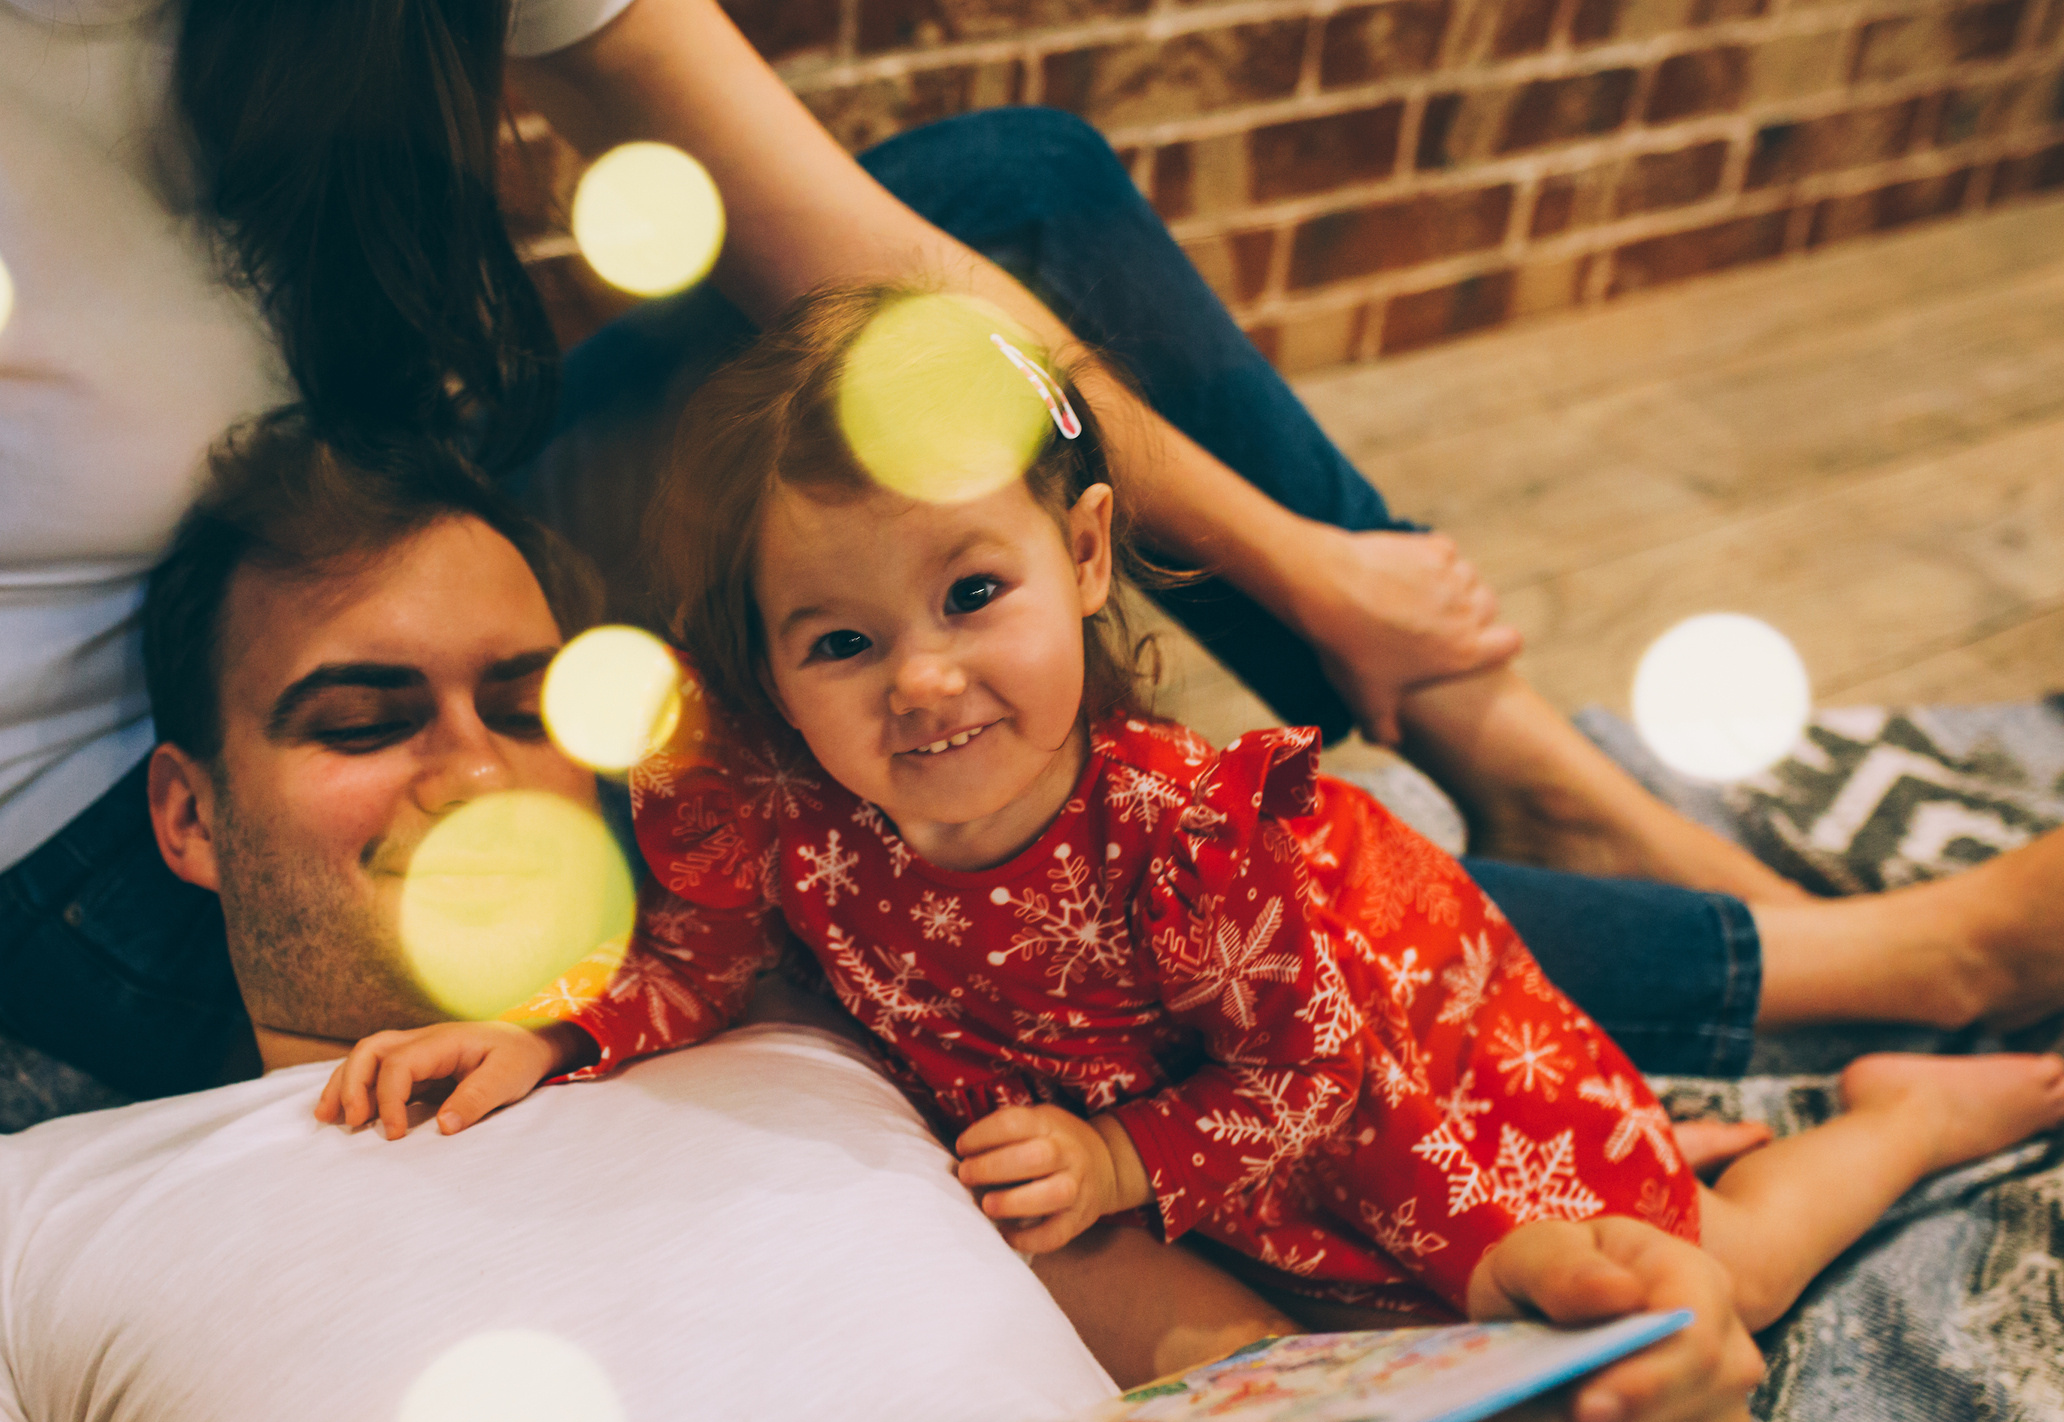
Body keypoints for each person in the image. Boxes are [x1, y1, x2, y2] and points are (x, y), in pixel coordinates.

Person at [0, 0, 2048, 1103]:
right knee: (879, 847)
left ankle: (1517, 767)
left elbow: (864, 249)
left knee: (1010, 199)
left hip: (429, 535)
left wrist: (1326, 570)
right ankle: (1845, 963)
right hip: (133, 781)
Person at [0, 414, 1763, 1422]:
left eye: (529, 702)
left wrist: (1543, 1395)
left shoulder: (846, 1028)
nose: (472, 770)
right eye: (363, 716)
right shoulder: (8, 1218)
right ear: (189, 820)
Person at [317, 290, 2064, 1331]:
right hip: (1227, 1186)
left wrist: (1112, 1158)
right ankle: (1730, 1127)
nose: (919, 680)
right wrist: (553, 1038)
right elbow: (695, 964)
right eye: (842, 639)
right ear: (774, 669)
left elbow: (1314, 1079)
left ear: (1081, 558)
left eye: (971, 595)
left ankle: (1901, 1113)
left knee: (1683, 1288)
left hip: (1397, 1111)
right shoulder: (794, 819)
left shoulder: (1182, 839)